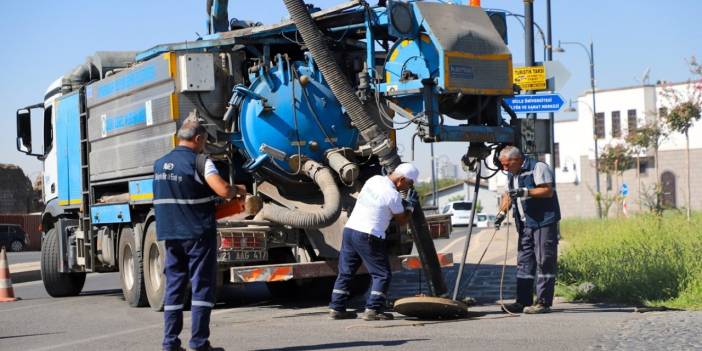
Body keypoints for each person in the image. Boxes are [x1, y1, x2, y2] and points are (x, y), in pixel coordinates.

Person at [154, 112, 245, 351]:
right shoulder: (201, 161)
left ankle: (170, 343)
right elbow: (223, 191)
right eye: (203, 141)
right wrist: (237, 190)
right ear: (197, 139)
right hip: (197, 235)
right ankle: (198, 343)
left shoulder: (160, 164)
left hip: (170, 234)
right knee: (202, 287)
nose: (204, 145)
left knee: (174, 287)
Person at [328, 163, 418, 321]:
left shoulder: (374, 180)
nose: (408, 188)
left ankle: (337, 308)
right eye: (409, 184)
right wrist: (410, 207)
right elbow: (402, 220)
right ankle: (373, 310)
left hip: (350, 231)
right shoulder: (393, 195)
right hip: (368, 235)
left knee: (346, 272)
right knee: (382, 275)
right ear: (401, 179)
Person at [495, 146, 561, 314]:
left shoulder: (538, 168)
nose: (504, 168)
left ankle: (543, 303)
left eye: (507, 164)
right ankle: (522, 301)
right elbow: (508, 195)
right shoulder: (511, 174)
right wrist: (502, 213)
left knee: (544, 260)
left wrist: (526, 192)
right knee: (524, 263)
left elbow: (547, 190)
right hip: (525, 224)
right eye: (503, 165)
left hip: (542, 222)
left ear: (517, 160)